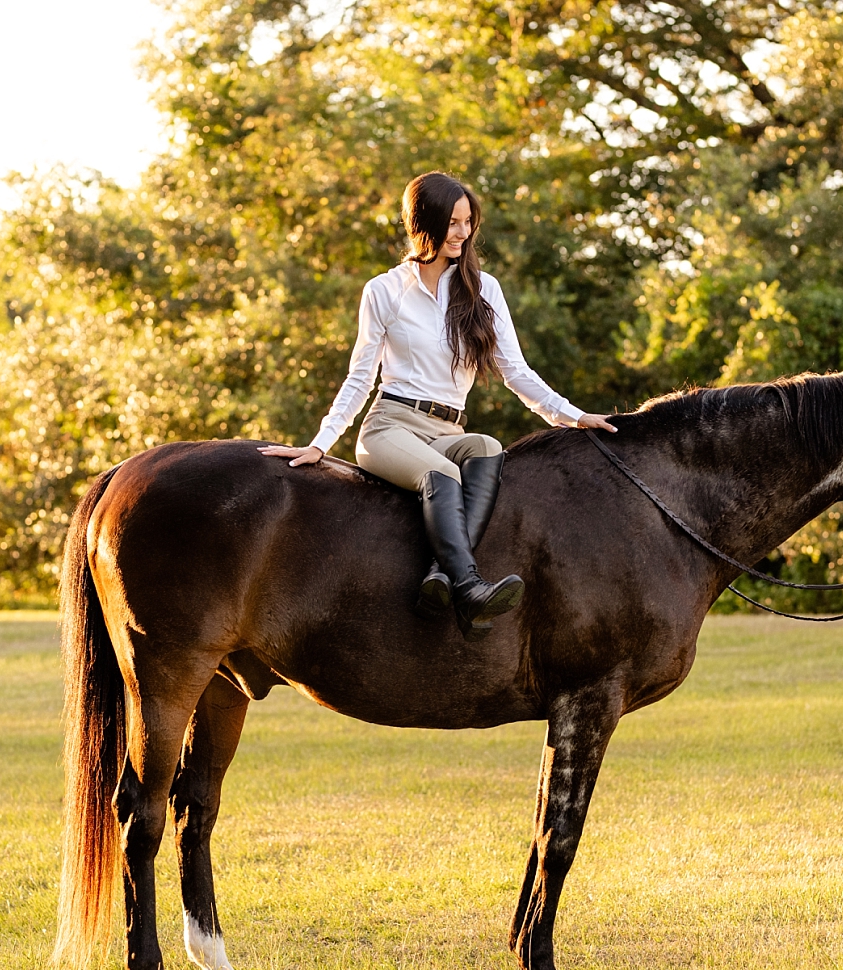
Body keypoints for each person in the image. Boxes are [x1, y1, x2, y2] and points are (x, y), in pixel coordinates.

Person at [260, 172, 617, 639]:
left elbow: (516, 372)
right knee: (443, 475)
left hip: (448, 432)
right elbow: (360, 378)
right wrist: (321, 444)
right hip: (391, 427)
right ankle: (468, 588)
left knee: (488, 446)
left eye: (468, 222)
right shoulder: (384, 290)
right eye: (452, 222)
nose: (462, 233)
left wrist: (573, 416)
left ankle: (440, 575)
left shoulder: (483, 290)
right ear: (422, 223)